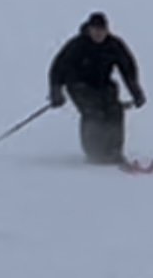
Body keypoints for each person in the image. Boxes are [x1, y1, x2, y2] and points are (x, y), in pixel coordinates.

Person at [48, 12, 146, 165]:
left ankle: (114, 152)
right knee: (94, 113)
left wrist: (136, 92)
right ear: (89, 29)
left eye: (102, 30)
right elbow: (58, 68)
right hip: (78, 85)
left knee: (115, 111)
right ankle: (95, 153)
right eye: (95, 30)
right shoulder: (77, 45)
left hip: (103, 85)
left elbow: (128, 70)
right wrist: (56, 92)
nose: (98, 34)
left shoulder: (114, 45)